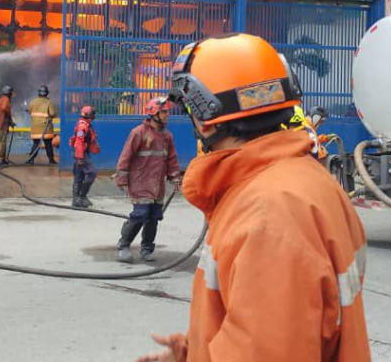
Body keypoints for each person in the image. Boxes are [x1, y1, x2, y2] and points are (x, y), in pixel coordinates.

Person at [134, 34, 369, 362]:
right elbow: (273, 330)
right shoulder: (303, 181)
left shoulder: (270, 213)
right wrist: (195, 352)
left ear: (203, 117)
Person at [114, 97, 181, 263]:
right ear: (154, 113)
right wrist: (121, 177)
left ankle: (146, 249)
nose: (167, 115)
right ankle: (123, 245)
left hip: (157, 184)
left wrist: (175, 177)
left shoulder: (167, 136)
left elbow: (171, 159)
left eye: (167, 111)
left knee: (154, 216)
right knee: (140, 214)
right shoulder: (139, 133)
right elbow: (126, 156)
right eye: (163, 112)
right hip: (140, 181)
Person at [69, 105, 100, 208]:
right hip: (80, 153)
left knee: (79, 175)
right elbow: (78, 143)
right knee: (92, 172)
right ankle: (81, 196)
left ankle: (77, 199)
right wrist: (80, 158)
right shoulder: (83, 127)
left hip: (81, 152)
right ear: (90, 115)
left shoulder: (86, 124)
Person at [24, 84, 58, 165]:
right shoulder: (49, 103)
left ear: (39, 93)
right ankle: (51, 160)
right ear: (47, 93)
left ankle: (31, 159)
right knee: (48, 144)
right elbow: (53, 113)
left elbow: (29, 110)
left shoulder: (33, 102)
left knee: (35, 143)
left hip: (35, 127)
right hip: (46, 128)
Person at [0, 85, 15, 167]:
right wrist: (10, 119)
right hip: (1, 125)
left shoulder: (1, 99)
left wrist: (10, 121)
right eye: (11, 93)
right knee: (2, 143)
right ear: (8, 93)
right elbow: (4, 108)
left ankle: (1, 159)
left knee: (0, 142)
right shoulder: (6, 100)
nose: (12, 95)